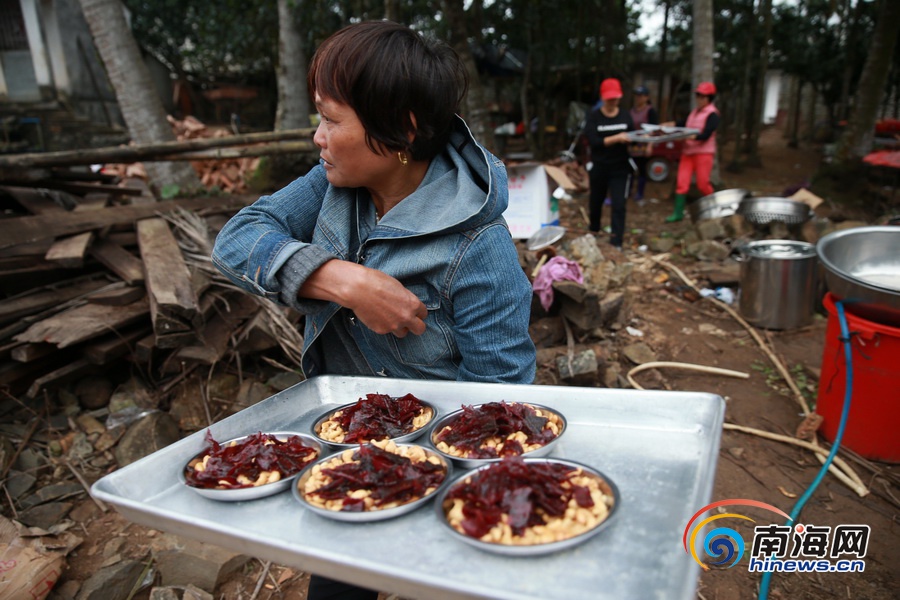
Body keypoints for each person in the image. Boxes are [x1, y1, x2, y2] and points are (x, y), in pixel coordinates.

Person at [211, 20, 536, 600]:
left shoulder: (479, 247)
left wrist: (430, 481)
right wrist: (344, 280)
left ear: (403, 130)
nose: (318, 137)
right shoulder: (332, 187)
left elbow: (497, 401)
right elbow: (237, 240)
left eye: (332, 120)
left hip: (438, 464)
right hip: (350, 447)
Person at [582, 77, 635, 248]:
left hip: (620, 167)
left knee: (619, 205)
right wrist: (617, 138)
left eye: (615, 98)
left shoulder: (625, 115)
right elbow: (594, 141)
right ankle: (594, 232)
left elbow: (632, 136)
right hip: (599, 167)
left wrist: (634, 140)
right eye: (609, 98)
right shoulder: (594, 117)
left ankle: (616, 241)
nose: (612, 101)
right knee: (596, 203)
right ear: (603, 97)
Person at [664, 81, 720, 222]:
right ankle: (678, 213)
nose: (699, 99)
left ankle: (715, 208)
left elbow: (706, 134)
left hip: (703, 153)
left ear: (709, 98)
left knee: (702, 183)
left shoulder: (713, 114)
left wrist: (688, 136)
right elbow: (682, 124)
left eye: (703, 96)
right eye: (698, 96)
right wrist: (665, 127)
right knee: (682, 183)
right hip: (688, 152)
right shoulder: (694, 113)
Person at [628, 85, 659, 202]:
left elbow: (654, 129)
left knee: (642, 169)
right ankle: (628, 191)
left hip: (644, 144)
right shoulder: (631, 111)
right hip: (632, 144)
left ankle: (640, 193)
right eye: (637, 96)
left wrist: (650, 145)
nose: (638, 98)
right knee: (630, 169)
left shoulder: (650, 111)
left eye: (641, 96)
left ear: (646, 97)